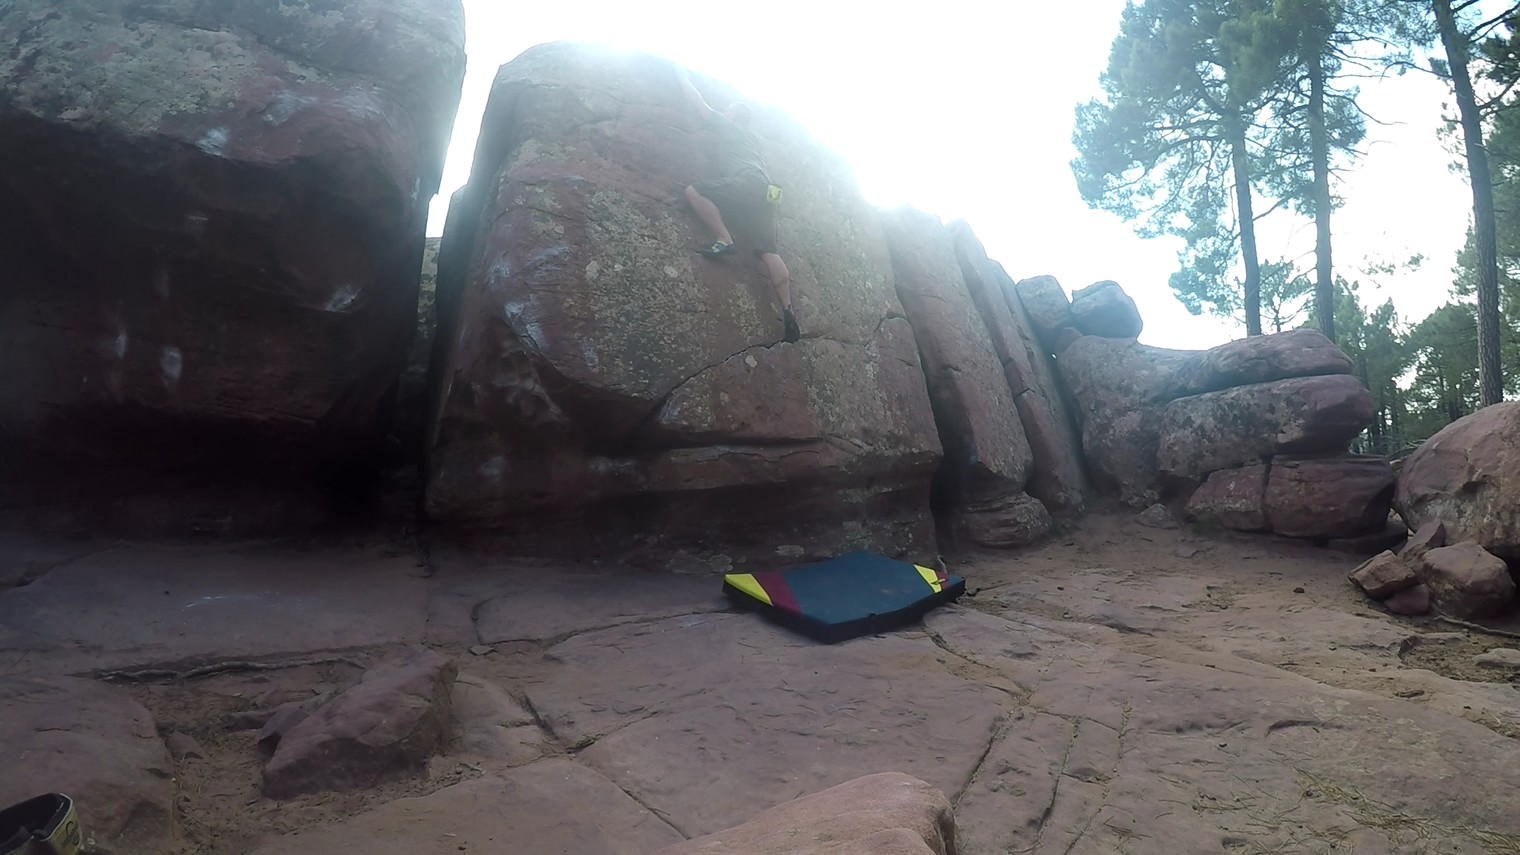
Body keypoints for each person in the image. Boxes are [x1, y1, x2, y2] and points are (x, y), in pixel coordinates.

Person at [677, 70, 801, 343]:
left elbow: (699, 105)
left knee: (694, 191)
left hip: (747, 182)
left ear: (733, 116)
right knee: (769, 251)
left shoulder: (729, 126)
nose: (725, 111)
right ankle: (788, 308)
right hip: (768, 191)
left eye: (728, 109)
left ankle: (724, 239)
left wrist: (682, 77)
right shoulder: (754, 139)